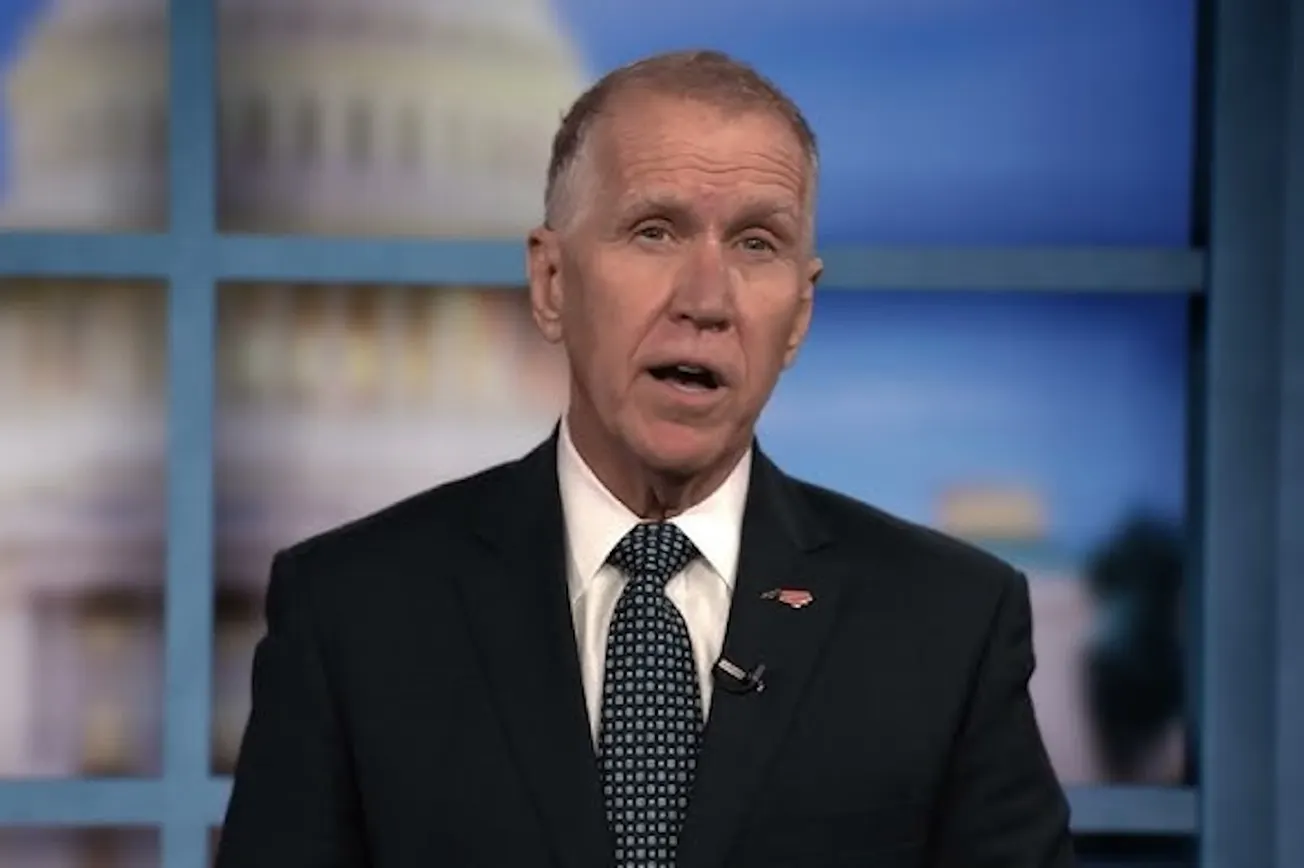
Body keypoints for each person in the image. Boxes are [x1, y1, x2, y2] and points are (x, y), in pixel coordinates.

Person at [215, 50, 1074, 868]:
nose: (706, 300)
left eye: (756, 244)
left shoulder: (949, 626)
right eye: (655, 231)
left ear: (800, 316)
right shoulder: (353, 613)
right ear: (552, 283)